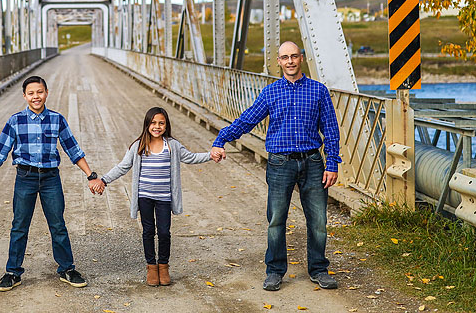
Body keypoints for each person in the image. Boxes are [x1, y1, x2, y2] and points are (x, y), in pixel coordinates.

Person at [209, 41, 341, 292]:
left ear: (301, 59)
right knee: (276, 220)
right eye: (284, 58)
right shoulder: (270, 92)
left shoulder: (319, 91)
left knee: (318, 221)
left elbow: (331, 130)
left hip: (313, 161)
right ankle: (275, 271)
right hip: (280, 164)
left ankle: (319, 270)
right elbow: (247, 120)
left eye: (294, 56)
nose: (290, 61)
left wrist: (332, 163)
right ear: (278, 62)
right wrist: (222, 138)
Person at [0, 75, 98, 292]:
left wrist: (90, 175)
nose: (35, 97)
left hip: (51, 179)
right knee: (19, 226)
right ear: (24, 96)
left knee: (57, 224)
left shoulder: (57, 119)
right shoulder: (15, 121)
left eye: (39, 92)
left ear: (46, 93)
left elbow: (73, 149)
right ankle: (13, 272)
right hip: (25, 178)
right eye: (31, 93)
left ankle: (67, 269)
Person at [96, 106, 217, 287]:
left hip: (164, 198)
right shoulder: (139, 146)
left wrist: (211, 155)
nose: (157, 126)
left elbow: (191, 157)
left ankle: (163, 266)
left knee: (164, 232)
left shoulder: (172, 146)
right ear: (147, 124)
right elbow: (123, 167)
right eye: (153, 123)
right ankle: (151, 267)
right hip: (144, 197)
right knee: (148, 231)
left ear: (166, 125)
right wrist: (104, 180)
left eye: (161, 123)